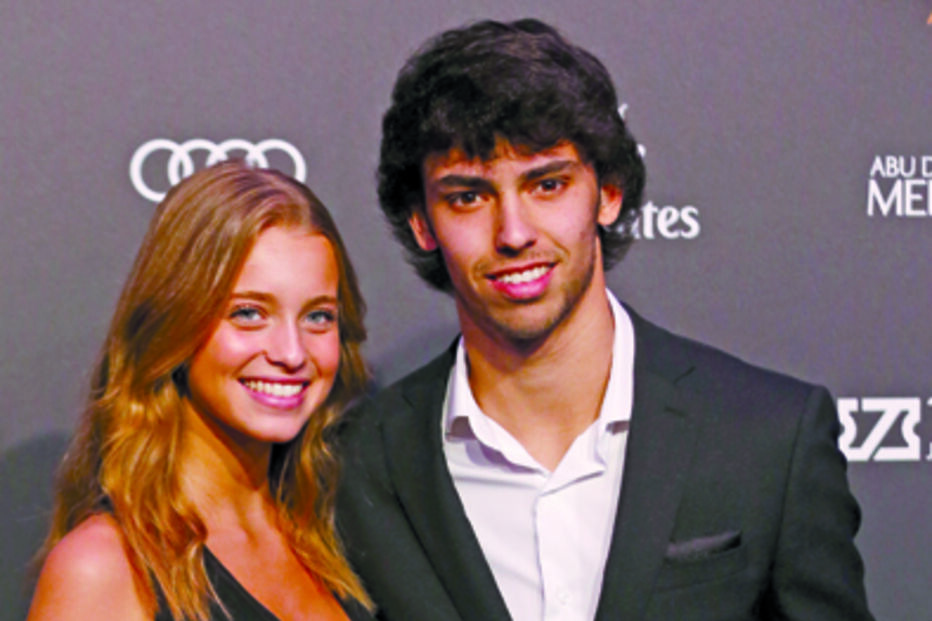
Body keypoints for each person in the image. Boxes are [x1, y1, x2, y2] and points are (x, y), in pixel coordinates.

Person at [335, 18, 874, 621]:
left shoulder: (769, 439)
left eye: (548, 184)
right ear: (422, 224)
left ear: (608, 192)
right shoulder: (355, 467)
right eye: (468, 197)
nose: (513, 233)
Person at [28, 160, 373, 621]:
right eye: (249, 313)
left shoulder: (335, 538)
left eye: (318, 316)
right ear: (175, 324)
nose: (292, 352)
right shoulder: (105, 567)